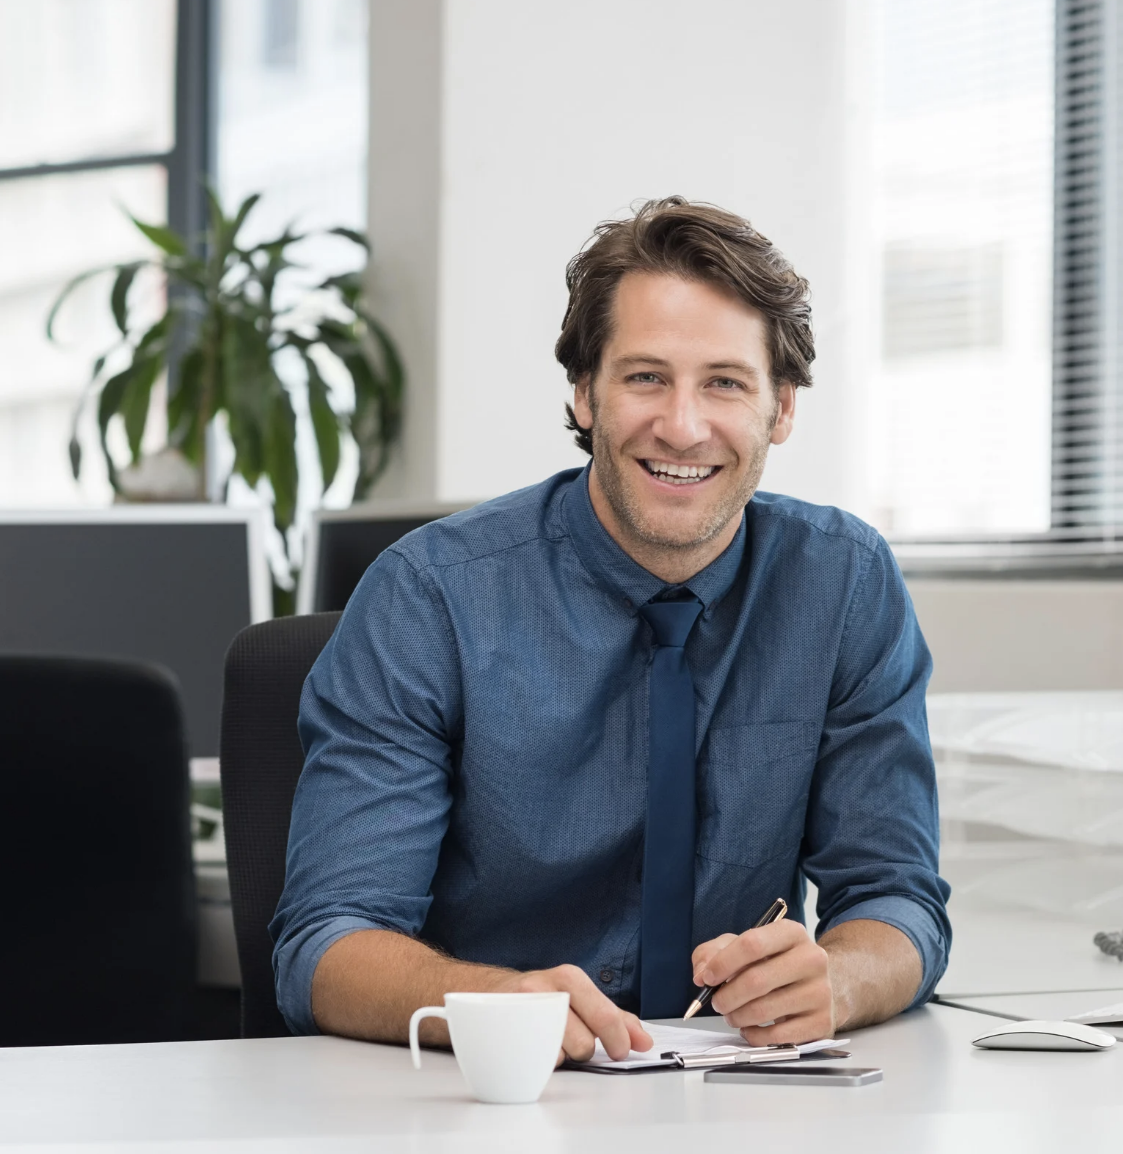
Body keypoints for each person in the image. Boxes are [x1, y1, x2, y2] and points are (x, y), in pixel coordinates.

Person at [270, 197, 951, 1062]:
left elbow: (899, 901)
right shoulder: (428, 598)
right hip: (487, 1097)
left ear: (780, 409)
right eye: (645, 378)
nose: (683, 425)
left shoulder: (843, 583)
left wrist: (838, 979)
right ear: (585, 394)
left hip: (737, 1098)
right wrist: (498, 1004)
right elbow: (324, 944)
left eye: (724, 383)